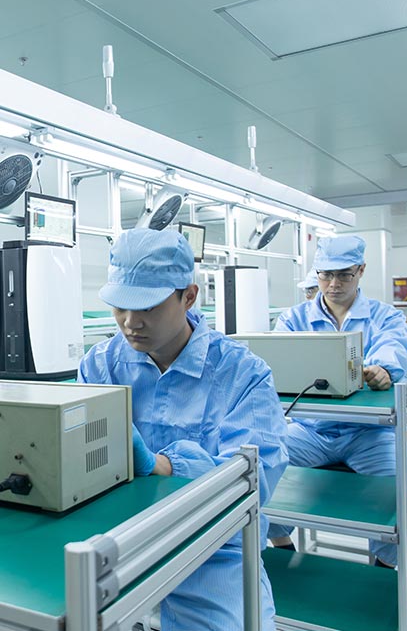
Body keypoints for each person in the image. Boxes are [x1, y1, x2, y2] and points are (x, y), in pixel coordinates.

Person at [78, 228, 288, 631]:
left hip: (214, 551)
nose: (130, 322)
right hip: (116, 543)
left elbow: (254, 478)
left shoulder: (243, 373)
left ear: (189, 296)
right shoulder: (100, 364)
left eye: (148, 307)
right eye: (120, 307)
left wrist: (167, 466)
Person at [268, 235, 407, 568]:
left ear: (361, 271)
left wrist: (383, 369)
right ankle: (281, 542)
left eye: (344, 275)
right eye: (326, 275)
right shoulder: (293, 320)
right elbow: (279, 359)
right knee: (259, 466)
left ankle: (386, 566)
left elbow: (394, 347)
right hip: (310, 431)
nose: (333, 284)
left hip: (370, 433)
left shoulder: (385, 316)